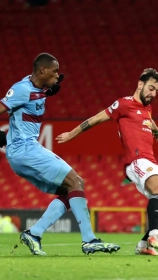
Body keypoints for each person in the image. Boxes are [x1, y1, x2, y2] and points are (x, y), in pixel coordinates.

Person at [0, 53, 120, 255]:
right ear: (42, 70)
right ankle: (89, 240)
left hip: (21, 152)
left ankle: (34, 233)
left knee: (69, 190)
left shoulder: (35, 89)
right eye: (55, 71)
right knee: (76, 181)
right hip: (25, 150)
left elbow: (30, 99)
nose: (58, 75)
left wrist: (45, 91)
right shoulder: (22, 89)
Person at [56, 68, 158, 256]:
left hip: (151, 160)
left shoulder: (147, 108)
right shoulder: (123, 104)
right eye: (151, 88)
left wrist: (157, 130)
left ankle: (144, 245)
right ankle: (155, 234)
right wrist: (70, 135)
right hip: (136, 160)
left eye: (156, 91)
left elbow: (148, 119)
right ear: (140, 84)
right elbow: (95, 119)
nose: (153, 93)